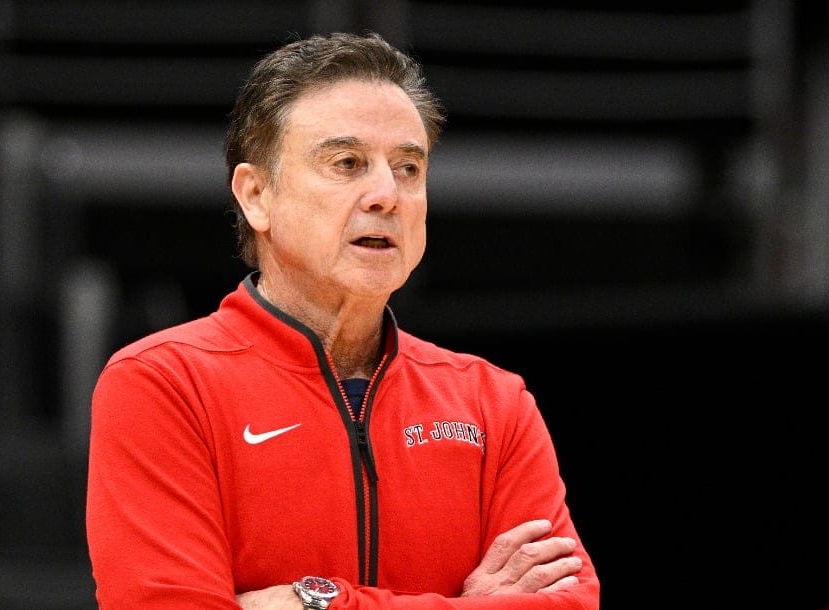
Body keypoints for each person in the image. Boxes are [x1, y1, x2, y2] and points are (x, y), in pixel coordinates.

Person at [86, 31, 600, 609]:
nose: (387, 194)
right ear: (257, 196)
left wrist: (317, 602)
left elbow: (569, 603)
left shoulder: (493, 403)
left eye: (409, 167)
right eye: (347, 163)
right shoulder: (163, 386)